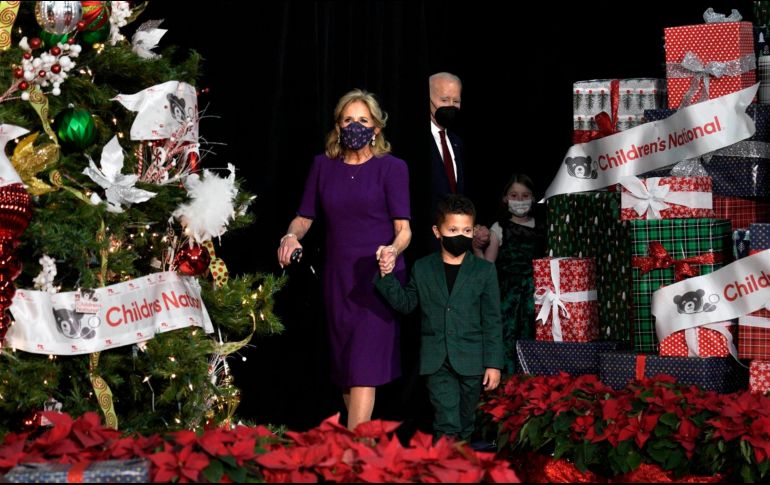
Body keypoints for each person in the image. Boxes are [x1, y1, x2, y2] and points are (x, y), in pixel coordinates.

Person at [277, 89, 411, 430]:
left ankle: (353, 457)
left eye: (363, 120)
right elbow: (304, 217)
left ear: (377, 128)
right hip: (338, 279)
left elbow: (404, 229)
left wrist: (393, 251)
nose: (355, 126)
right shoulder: (322, 166)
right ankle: (361, 446)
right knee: (347, 370)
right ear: (337, 126)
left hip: (378, 277)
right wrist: (290, 235)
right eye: (348, 119)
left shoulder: (392, 168)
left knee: (365, 367)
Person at [375, 194, 503, 441]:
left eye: (467, 230)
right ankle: (446, 471)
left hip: (472, 361)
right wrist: (386, 276)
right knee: (447, 424)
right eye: (453, 229)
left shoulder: (484, 271)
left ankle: (462, 470)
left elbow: (492, 320)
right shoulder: (422, 268)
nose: (460, 235)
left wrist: (494, 363)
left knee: (466, 424)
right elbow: (406, 303)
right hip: (437, 361)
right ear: (437, 231)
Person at [473, 174, 546, 374]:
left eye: (525, 195)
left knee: (533, 341)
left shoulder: (542, 228)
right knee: (508, 341)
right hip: (508, 299)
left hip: (537, 299)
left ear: (533, 198)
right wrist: (476, 249)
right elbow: (486, 268)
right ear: (505, 198)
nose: (520, 200)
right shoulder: (499, 228)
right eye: (514, 195)